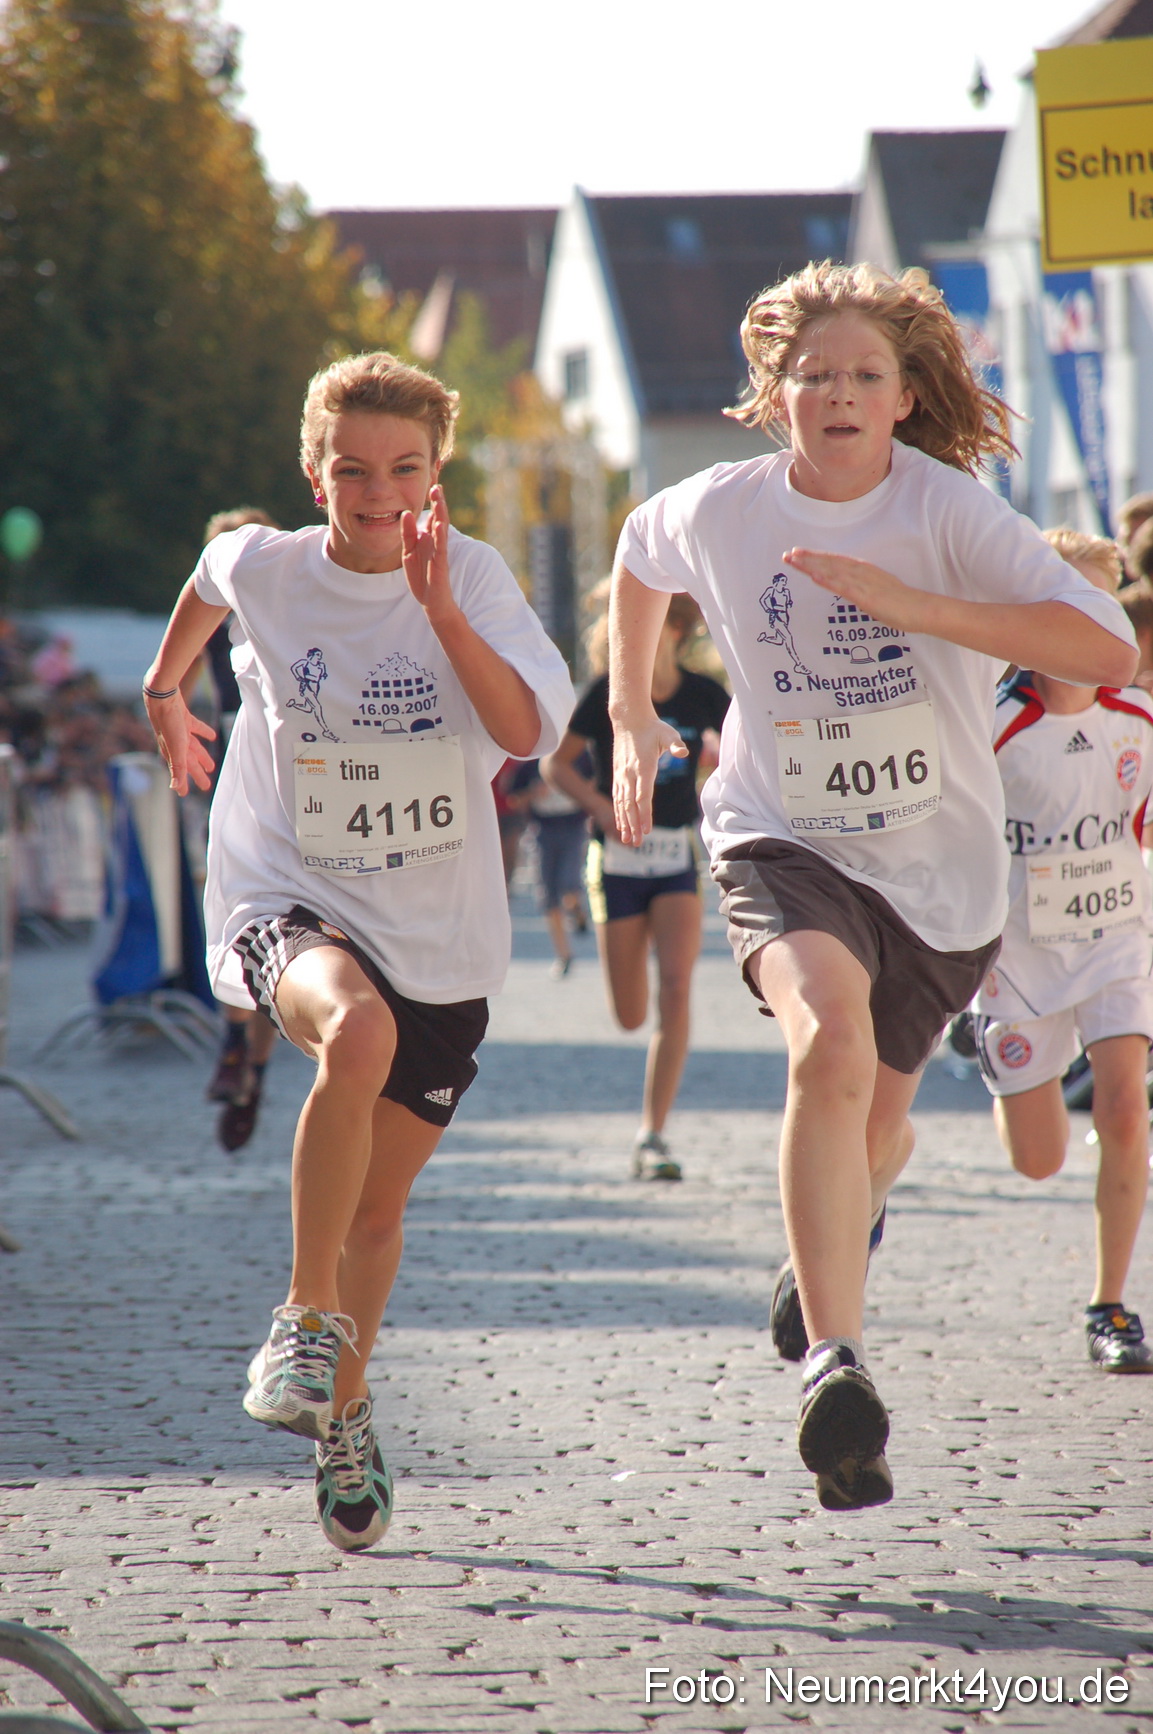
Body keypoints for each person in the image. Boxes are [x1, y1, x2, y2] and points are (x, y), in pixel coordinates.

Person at [608, 260, 1137, 1511]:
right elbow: (638, 560)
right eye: (814, 376)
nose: (838, 394)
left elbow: (1103, 646)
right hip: (783, 838)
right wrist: (633, 715)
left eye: (865, 376)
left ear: (904, 398)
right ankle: (835, 1368)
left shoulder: (949, 513)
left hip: (941, 880)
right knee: (826, 1047)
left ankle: (837, 1237)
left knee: (878, 1128)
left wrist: (923, 609)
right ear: (774, 392)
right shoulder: (723, 509)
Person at [142, 352, 573, 1550]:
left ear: (438, 475)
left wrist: (436, 609)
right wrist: (162, 688)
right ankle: (299, 1317)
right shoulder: (271, 564)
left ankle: (344, 1404)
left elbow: (525, 731)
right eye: (349, 469)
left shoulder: (476, 580)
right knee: (354, 1031)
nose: (376, 492)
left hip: (437, 927)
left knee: (377, 1215)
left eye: (404, 469)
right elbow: (206, 576)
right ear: (312, 471)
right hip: (290, 888)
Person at [972, 529, 1153, 1374]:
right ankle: (985, 1050)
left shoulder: (1139, 718)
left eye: (1096, 606)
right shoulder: (991, 726)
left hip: (1116, 939)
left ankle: (1110, 1306)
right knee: (1038, 1160)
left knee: (1123, 1110)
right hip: (1019, 959)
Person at [543, 590, 728, 1180]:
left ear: (675, 632)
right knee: (630, 1014)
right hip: (617, 867)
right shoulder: (607, 695)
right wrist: (600, 807)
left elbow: (751, 753)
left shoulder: (705, 696)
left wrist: (720, 776)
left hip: (676, 859)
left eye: (656, 626)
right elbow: (556, 764)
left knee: (676, 988)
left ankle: (653, 1132)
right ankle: (650, 1119)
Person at [192, 506, 282, 1151]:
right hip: (231, 771)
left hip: (289, 776)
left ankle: (251, 1060)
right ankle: (241, 1053)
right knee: (237, 912)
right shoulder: (208, 618)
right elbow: (173, 688)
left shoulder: (291, 605)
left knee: (280, 921)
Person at [509, 756, 590, 977]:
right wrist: (533, 793)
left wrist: (575, 790)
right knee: (548, 897)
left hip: (574, 828)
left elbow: (595, 784)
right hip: (542, 832)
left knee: (569, 885)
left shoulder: (578, 755)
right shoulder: (529, 764)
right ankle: (564, 955)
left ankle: (577, 911)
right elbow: (514, 798)